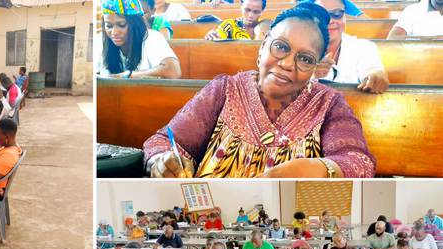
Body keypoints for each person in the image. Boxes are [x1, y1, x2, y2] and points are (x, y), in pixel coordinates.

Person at [143, 3, 375, 178]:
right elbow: (164, 141)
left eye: (305, 58)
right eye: (280, 47)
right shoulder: (225, 90)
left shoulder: (328, 104)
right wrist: (162, 163)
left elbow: (358, 161)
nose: (286, 64)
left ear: (315, 66)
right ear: (263, 46)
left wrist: (318, 168)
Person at [305, 0, 389, 94]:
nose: (331, 21)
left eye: (337, 14)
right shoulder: (298, 48)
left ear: (345, 16)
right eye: (322, 15)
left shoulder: (363, 47)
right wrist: (308, 75)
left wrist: (375, 75)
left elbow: (373, 68)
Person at [99, 0, 181, 79]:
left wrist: (128, 75)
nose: (114, 32)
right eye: (109, 26)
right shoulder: (100, 41)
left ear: (135, 24)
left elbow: (173, 71)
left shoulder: (152, 37)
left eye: (122, 25)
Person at [205, 0, 271, 40]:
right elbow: (218, 36)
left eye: (256, 12)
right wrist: (213, 36)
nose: (250, 15)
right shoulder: (230, 25)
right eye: (247, 10)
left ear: (262, 11)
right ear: (241, 6)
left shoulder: (266, 26)